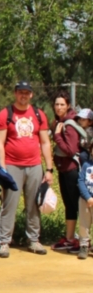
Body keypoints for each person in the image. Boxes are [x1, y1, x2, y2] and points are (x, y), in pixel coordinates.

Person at [0, 81, 54, 257]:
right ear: (15, 93)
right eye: (20, 92)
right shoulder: (5, 114)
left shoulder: (38, 114)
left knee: (34, 204)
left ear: (31, 95)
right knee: (9, 204)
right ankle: (4, 241)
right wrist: (2, 168)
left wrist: (49, 169)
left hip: (34, 165)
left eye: (27, 93)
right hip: (12, 165)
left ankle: (33, 240)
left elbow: (45, 142)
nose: (23, 95)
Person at [51, 92, 85, 252]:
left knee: (78, 205)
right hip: (63, 169)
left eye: (62, 104)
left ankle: (84, 239)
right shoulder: (59, 122)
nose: (59, 107)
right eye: (57, 104)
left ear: (68, 106)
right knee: (69, 205)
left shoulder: (69, 124)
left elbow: (71, 150)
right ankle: (70, 238)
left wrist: (57, 136)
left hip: (72, 170)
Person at [76, 146, 93, 259]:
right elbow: (80, 181)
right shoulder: (86, 165)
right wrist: (87, 197)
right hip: (85, 200)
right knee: (84, 224)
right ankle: (83, 246)